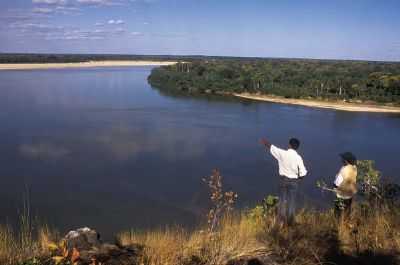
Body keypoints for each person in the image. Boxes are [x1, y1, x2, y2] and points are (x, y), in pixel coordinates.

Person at [261, 137, 307, 225]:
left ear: (289, 145)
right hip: (294, 181)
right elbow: (303, 173)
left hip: (283, 180)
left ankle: (280, 221)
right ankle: (290, 221)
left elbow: (272, 147)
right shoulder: (298, 158)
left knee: (282, 200)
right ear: (297, 147)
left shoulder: (283, 154)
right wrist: (298, 180)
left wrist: (265, 142)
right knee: (292, 201)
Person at [333, 152, 357, 221]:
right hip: (350, 194)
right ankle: (346, 224)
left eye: (343, 159)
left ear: (346, 161)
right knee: (347, 210)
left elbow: (336, 183)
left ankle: (339, 227)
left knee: (338, 213)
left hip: (341, 196)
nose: (341, 160)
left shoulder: (343, 170)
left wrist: (334, 187)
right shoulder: (354, 168)